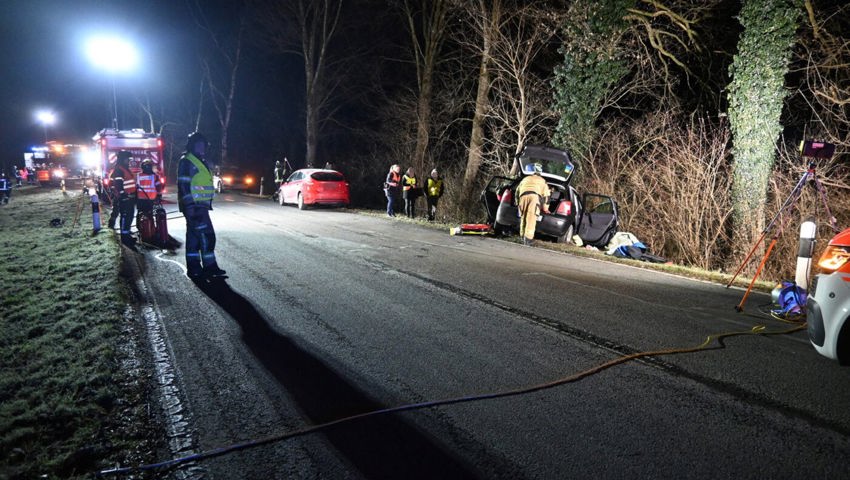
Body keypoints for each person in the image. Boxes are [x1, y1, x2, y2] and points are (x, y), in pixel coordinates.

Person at [178, 132, 227, 280]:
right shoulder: (187, 161)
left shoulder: (199, 160)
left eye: (203, 145)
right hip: (195, 207)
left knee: (194, 237)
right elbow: (184, 185)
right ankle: (209, 267)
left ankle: (195, 268)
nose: (202, 147)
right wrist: (190, 206)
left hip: (199, 207)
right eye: (199, 144)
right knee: (208, 236)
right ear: (192, 145)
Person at [516, 163, 550, 246]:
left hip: (522, 197)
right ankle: (528, 239)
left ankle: (522, 236)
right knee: (531, 218)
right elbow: (546, 196)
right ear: (540, 172)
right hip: (534, 197)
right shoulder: (542, 181)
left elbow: (517, 191)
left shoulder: (525, 179)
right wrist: (545, 208)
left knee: (523, 217)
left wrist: (517, 203)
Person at [110, 151, 138, 246]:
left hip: (129, 198)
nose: (129, 161)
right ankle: (125, 238)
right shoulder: (119, 170)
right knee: (125, 217)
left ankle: (127, 233)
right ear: (122, 159)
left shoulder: (124, 169)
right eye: (127, 159)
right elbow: (118, 185)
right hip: (125, 199)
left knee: (129, 217)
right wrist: (123, 195)